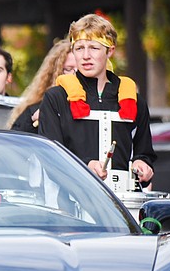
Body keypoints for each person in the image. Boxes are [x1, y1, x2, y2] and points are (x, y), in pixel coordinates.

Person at [38, 13, 156, 190]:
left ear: (110, 51)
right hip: (70, 199)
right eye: (79, 48)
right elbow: (49, 157)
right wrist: (86, 165)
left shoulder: (134, 100)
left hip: (121, 202)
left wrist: (143, 165)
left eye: (94, 48)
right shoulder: (56, 98)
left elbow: (144, 152)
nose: (86, 56)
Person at [7, 40, 76, 133]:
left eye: (81, 68)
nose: (75, 74)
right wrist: (33, 121)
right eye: (68, 69)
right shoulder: (37, 109)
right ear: (55, 73)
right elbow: (15, 140)